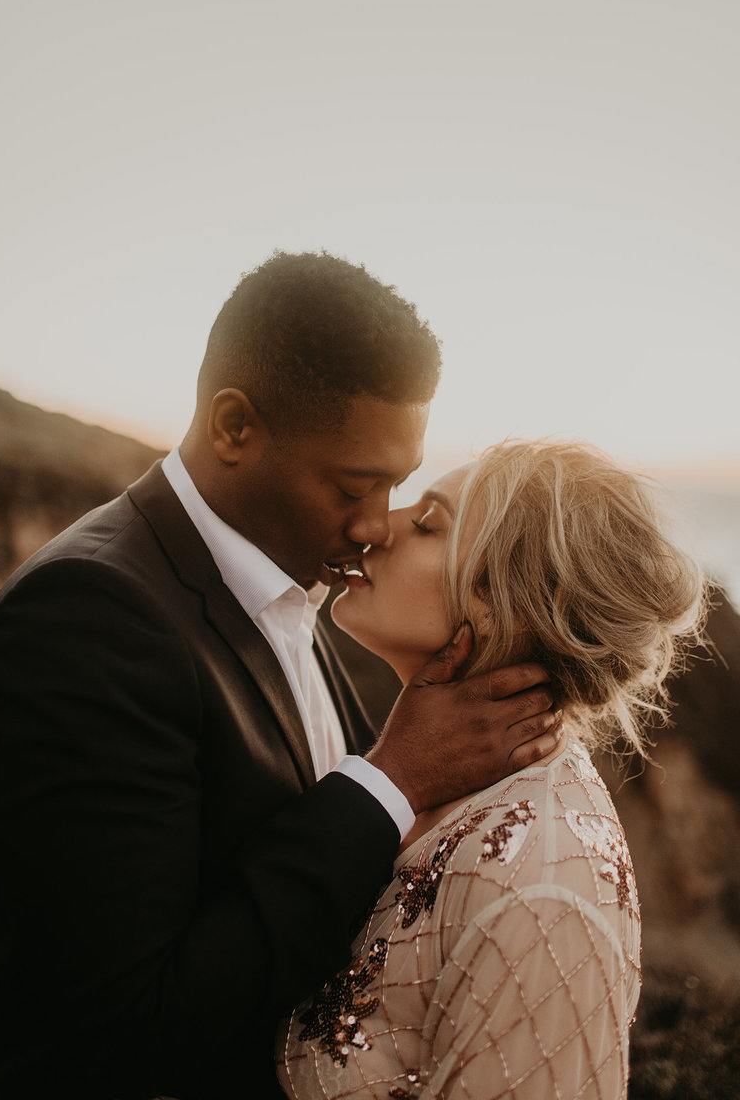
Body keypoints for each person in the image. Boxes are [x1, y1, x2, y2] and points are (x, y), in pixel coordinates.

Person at [0, 253, 561, 1100]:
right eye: (355, 484)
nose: (377, 525)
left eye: (396, 486)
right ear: (235, 427)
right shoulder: (86, 618)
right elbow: (131, 1027)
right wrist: (394, 779)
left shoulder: (279, 583)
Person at [277, 439, 707, 1100]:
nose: (377, 527)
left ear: (508, 603)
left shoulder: (545, 888)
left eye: (426, 525)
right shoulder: (424, 783)